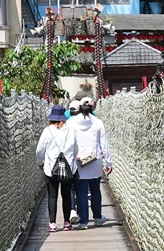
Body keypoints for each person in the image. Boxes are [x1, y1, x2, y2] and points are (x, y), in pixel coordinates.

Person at [68, 98, 111, 228]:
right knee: (95, 190)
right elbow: (104, 144)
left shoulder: (72, 123)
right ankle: (97, 217)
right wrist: (109, 162)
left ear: (80, 107)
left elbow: (69, 143)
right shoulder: (98, 122)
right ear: (93, 108)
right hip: (95, 159)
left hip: (79, 160)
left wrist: (71, 159)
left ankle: (83, 222)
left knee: (81, 191)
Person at [35, 104, 77, 232]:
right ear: (63, 118)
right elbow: (75, 149)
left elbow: (40, 150)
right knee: (66, 195)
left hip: (50, 168)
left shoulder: (47, 131)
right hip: (68, 168)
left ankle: (52, 223)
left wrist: (40, 162)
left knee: (52, 196)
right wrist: (73, 160)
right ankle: (66, 223)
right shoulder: (70, 130)